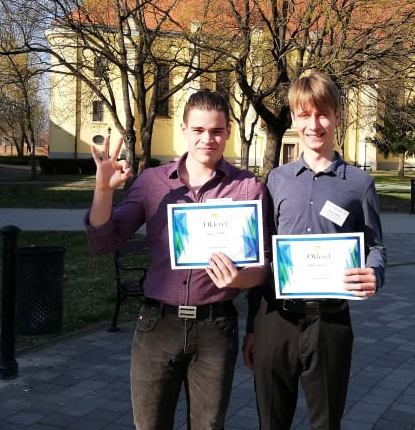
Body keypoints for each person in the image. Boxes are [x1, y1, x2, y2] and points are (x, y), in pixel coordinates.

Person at [85, 90, 268, 430]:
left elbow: (264, 266)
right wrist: (104, 191)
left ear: (228, 132)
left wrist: (240, 279)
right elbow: (103, 241)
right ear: (184, 130)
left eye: (216, 131)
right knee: (149, 424)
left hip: (215, 327)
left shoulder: (248, 188)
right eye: (198, 130)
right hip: (158, 325)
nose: (207, 139)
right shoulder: (153, 182)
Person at [243, 71, 387, 429]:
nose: (314, 124)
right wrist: (252, 328)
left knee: (326, 423)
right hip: (275, 320)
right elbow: (263, 255)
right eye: (304, 115)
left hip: (330, 322)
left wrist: (375, 273)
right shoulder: (275, 181)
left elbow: (375, 246)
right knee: (270, 422)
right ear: (294, 118)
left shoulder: (359, 184)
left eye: (322, 114)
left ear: (337, 116)